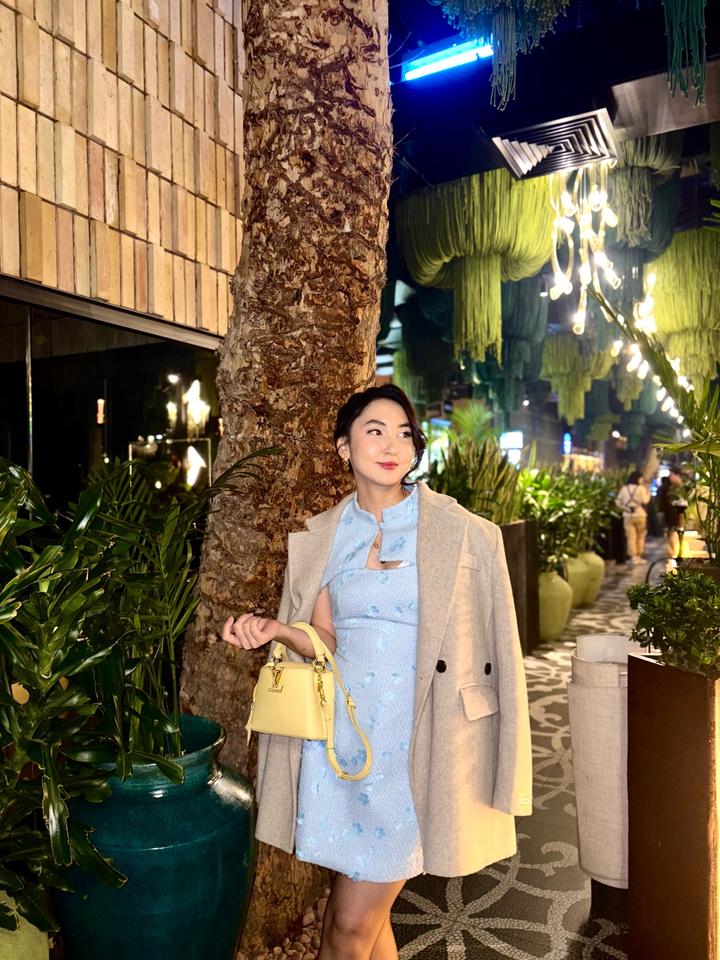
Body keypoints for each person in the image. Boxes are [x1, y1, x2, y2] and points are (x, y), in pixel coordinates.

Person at [222, 384, 532, 960]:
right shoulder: (323, 537)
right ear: (344, 447)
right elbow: (326, 641)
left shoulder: (461, 531)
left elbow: (504, 654)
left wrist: (510, 762)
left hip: (416, 747)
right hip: (344, 748)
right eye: (374, 430)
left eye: (404, 433)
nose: (392, 445)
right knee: (367, 921)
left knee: (345, 928)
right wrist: (276, 631)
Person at [616, 470, 651, 564]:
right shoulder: (641, 488)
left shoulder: (624, 488)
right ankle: (639, 556)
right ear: (638, 478)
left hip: (628, 515)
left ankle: (633, 557)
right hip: (640, 515)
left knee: (630, 537)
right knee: (641, 536)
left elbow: (617, 502)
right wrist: (648, 492)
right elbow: (645, 501)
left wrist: (625, 508)